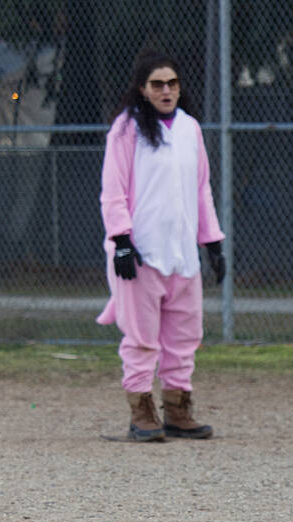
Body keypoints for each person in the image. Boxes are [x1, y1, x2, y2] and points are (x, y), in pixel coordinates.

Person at [96, 50, 226, 441]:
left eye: (172, 84)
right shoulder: (126, 129)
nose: (166, 90)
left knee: (184, 337)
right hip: (141, 254)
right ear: (142, 88)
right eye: (157, 84)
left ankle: (178, 410)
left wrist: (212, 243)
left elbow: (201, 189)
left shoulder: (189, 129)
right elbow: (113, 191)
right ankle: (142, 413)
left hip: (183, 255)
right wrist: (121, 240)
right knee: (141, 338)